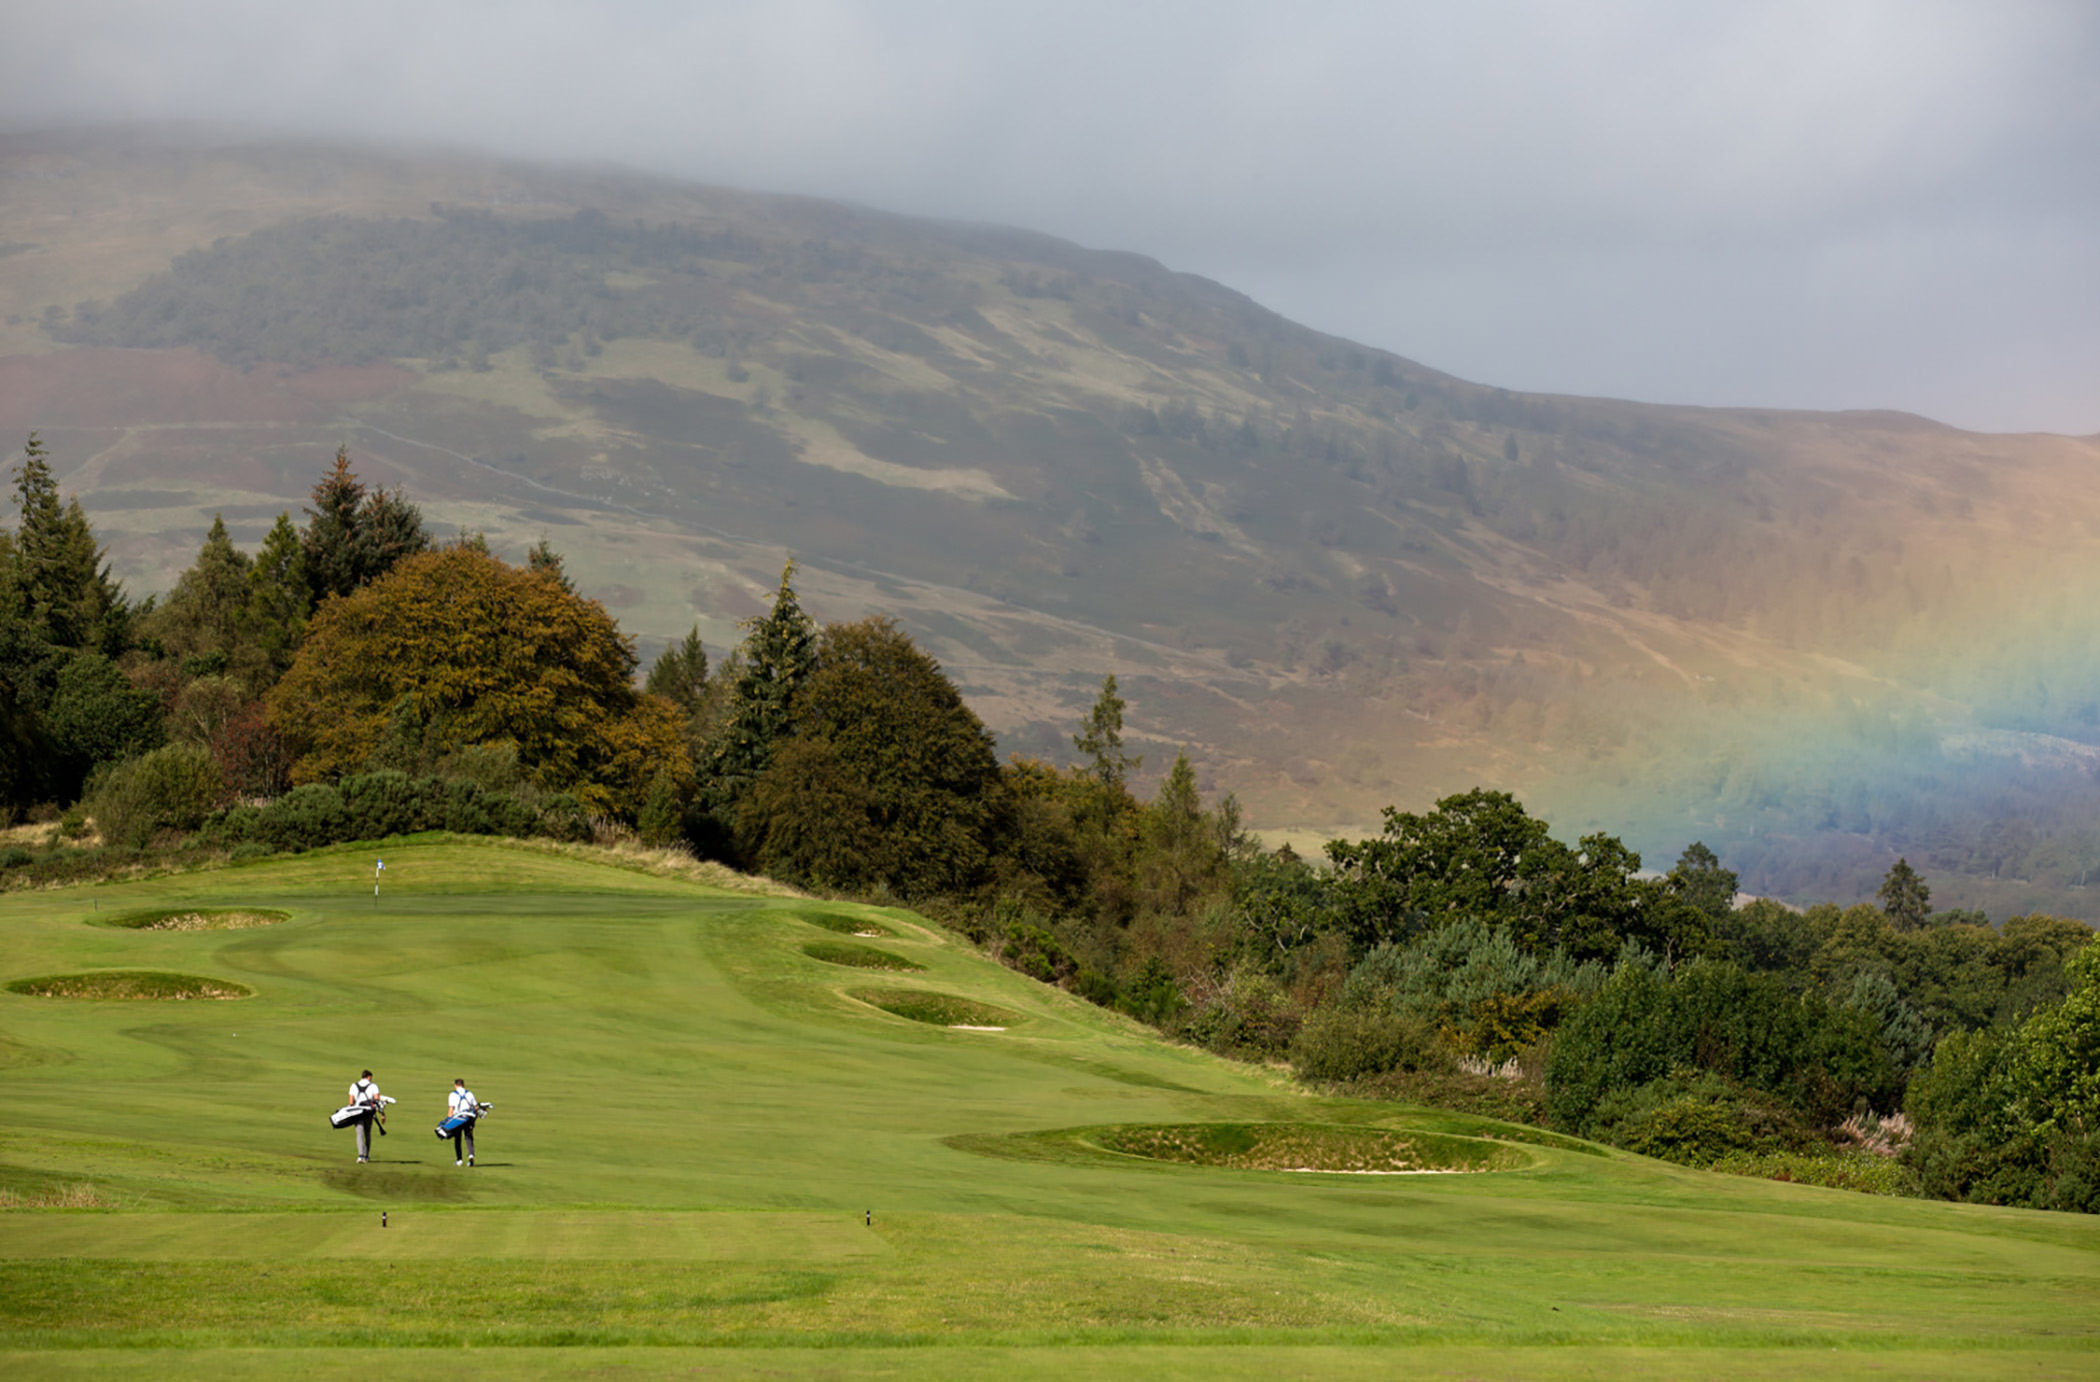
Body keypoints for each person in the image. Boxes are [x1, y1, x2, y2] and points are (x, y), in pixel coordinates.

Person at [347, 1069, 384, 1163]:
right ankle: (366, 1156)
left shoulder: (353, 1086)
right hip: (368, 1112)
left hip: (357, 1112)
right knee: (367, 1133)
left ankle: (360, 1155)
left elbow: (351, 1102)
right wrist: (382, 1114)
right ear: (368, 1077)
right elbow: (377, 1100)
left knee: (359, 1134)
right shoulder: (373, 1086)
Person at [446, 1077, 479, 1166]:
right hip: (468, 1118)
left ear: (455, 1085)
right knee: (468, 1137)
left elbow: (451, 1110)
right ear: (463, 1085)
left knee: (457, 1139)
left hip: (458, 1119)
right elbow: (476, 1108)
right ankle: (471, 1155)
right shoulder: (470, 1094)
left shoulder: (452, 1095)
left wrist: (448, 1122)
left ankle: (459, 1160)